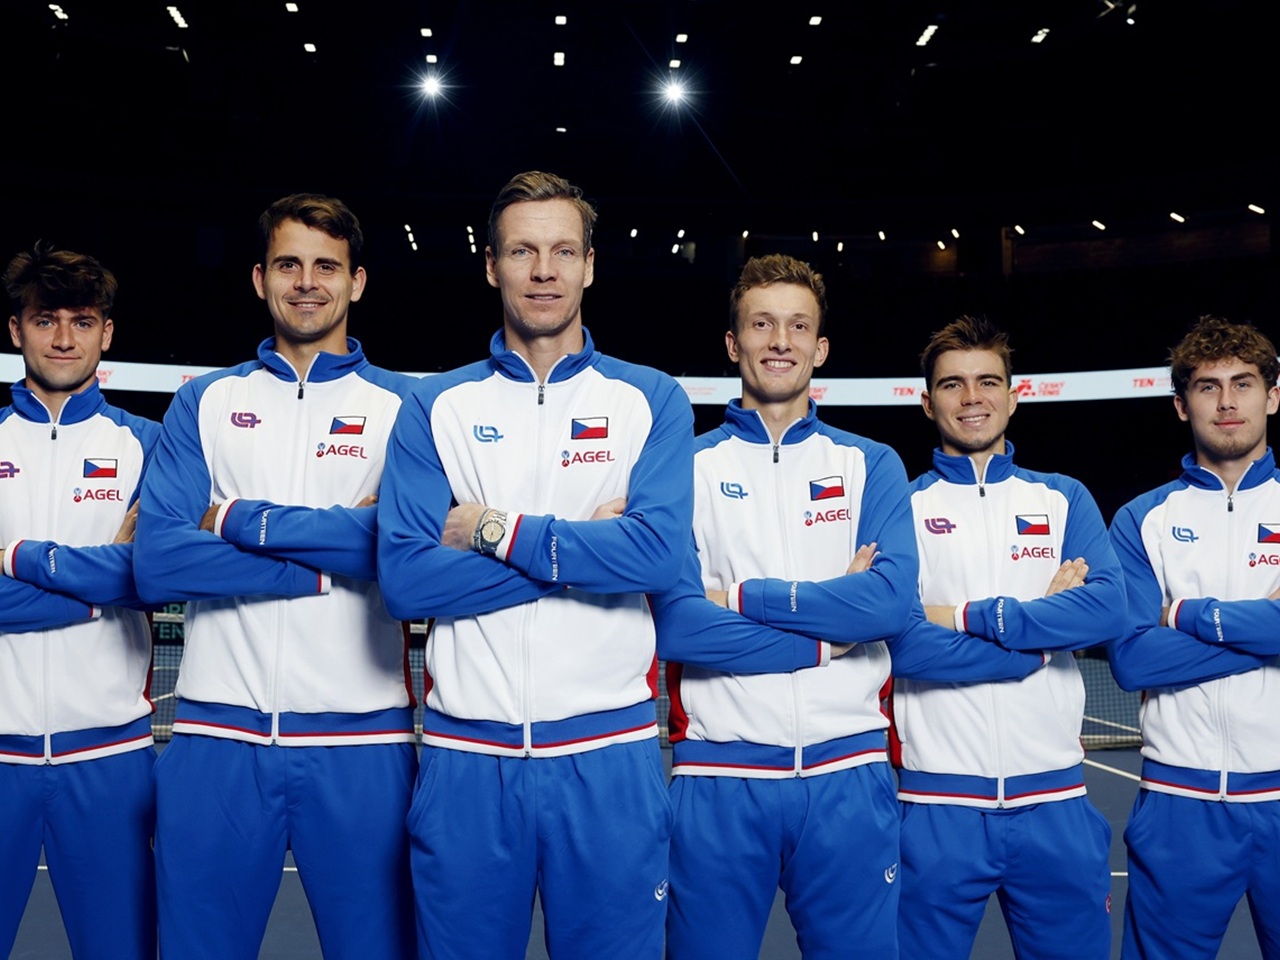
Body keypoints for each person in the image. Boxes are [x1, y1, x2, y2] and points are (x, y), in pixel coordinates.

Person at [376, 171, 690, 960]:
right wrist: (587, 549)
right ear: (491, 266)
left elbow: (656, 555)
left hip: (608, 759)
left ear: (590, 265)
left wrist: (492, 529)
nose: (544, 271)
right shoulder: (436, 406)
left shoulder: (651, 399)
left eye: (562, 251)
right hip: (468, 762)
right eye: (522, 251)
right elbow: (407, 581)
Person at [134, 194, 416, 959]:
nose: (307, 282)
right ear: (261, 279)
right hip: (216, 738)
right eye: (288, 264)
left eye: (326, 266)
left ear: (357, 281)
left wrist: (226, 519)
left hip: (363, 743)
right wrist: (329, 557)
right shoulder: (205, 402)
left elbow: (399, 549)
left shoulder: (408, 407)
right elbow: (159, 562)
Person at [892, 315, 1122, 959]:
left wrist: (964, 616)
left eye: (988, 381)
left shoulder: (1064, 498)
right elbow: (902, 643)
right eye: (953, 384)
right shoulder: (901, 507)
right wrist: (1042, 636)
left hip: (1056, 804)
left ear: (1014, 396)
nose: (973, 398)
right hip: (936, 806)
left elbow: (1108, 611)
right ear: (927, 401)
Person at [0, 243, 159, 959]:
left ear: (107, 333)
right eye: (45, 320)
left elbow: (152, 576)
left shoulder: (151, 446)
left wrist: (17, 567)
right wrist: (100, 588)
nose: (64, 338)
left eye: (82, 321)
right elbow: (121, 577)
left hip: (111, 756)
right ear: (16, 330)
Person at [1109, 315, 1280, 960]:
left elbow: (1159, 640)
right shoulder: (1142, 519)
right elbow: (1133, 659)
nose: (1227, 401)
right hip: (1180, 804)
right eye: (1209, 387)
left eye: (1244, 383)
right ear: (1182, 405)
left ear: (1273, 395)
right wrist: (1264, 630)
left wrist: (1182, 614)